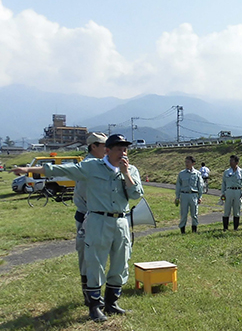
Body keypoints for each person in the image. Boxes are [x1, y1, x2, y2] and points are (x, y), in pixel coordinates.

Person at [12, 134, 143, 322]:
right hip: (98, 220)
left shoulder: (131, 170)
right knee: (95, 262)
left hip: (121, 221)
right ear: (107, 150)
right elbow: (63, 169)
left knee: (120, 263)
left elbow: (136, 194)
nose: (123, 152)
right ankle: (95, 306)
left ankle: (112, 303)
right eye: (118, 149)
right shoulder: (91, 167)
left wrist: (126, 174)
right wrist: (28, 169)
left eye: (125, 149)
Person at [73, 132, 107, 306]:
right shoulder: (90, 166)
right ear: (93, 146)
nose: (107, 150)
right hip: (88, 217)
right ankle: (91, 297)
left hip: (90, 216)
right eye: (104, 146)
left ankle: (93, 295)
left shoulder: (94, 164)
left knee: (94, 257)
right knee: (88, 257)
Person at [175, 156, 203, 234]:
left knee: (194, 214)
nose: (186, 164)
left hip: (193, 195)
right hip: (184, 195)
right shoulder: (181, 173)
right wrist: (177, 197)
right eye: (185, 162)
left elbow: (200, 185)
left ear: (193, 163)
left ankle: (194, 229)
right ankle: (182, 230)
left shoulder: (197, 173)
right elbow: (178, 186)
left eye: (188, 162)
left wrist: (200, 196)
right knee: (183, 213)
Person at [220, 155, 242, 231]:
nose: (230, 162)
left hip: (237, 191)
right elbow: (223, 183)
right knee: (227, 210)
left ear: (237, 162)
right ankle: (225, 227)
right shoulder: (226, 172)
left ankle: (235, 227)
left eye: (232, 161)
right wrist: (222, 193)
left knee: (237, 210)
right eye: (230, 161)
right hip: (229, 191)